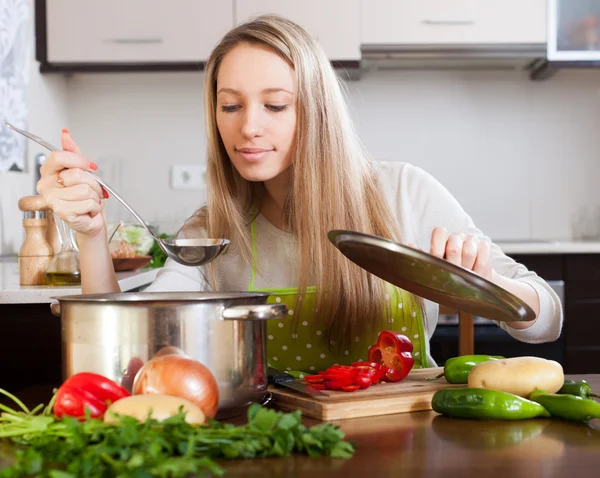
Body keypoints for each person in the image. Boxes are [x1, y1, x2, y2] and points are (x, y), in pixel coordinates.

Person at [36, 15, 562, 374]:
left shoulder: (403, 193)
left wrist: (488, 286)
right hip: (275, 450)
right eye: (231, 106)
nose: (249, 129)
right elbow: (130, 348)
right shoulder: (212, 231)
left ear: (314, 110)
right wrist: (90, 236)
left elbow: (547, 321)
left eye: (275, 105)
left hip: (407, 444)